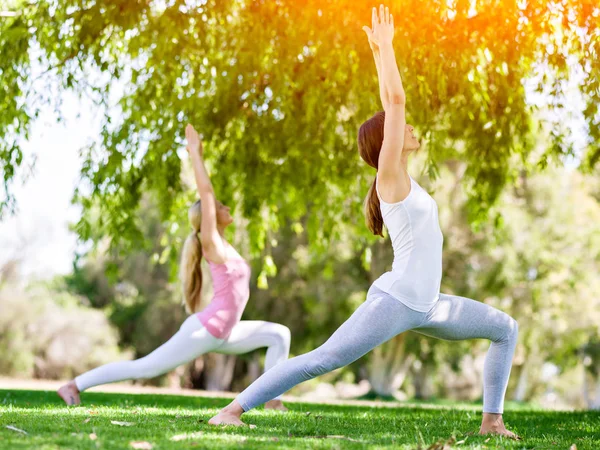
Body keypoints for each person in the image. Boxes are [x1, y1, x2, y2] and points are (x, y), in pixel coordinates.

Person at [208, 5, 519, 438]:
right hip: (396, 302)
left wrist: (376, 50)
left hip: (429, 305)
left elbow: (389, 105)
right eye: (398, 128)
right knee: (324, 358)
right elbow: (393, 100)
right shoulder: (388, 178)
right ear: (386, 143)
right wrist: (388, 49)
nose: (409, 127)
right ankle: (232, 409)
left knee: (505, 328)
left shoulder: (404, 181)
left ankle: (492, 422)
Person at [57, 124, 291, 411]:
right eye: (220, 206)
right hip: (206, 331)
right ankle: (74, 385)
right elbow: (206, 194)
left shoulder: (225, 247)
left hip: (226, 334)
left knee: (280, 334)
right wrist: (195, 154)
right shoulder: (212, 244)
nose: (226, 207)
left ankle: (273, 402)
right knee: (144, 368)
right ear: (209, 217)